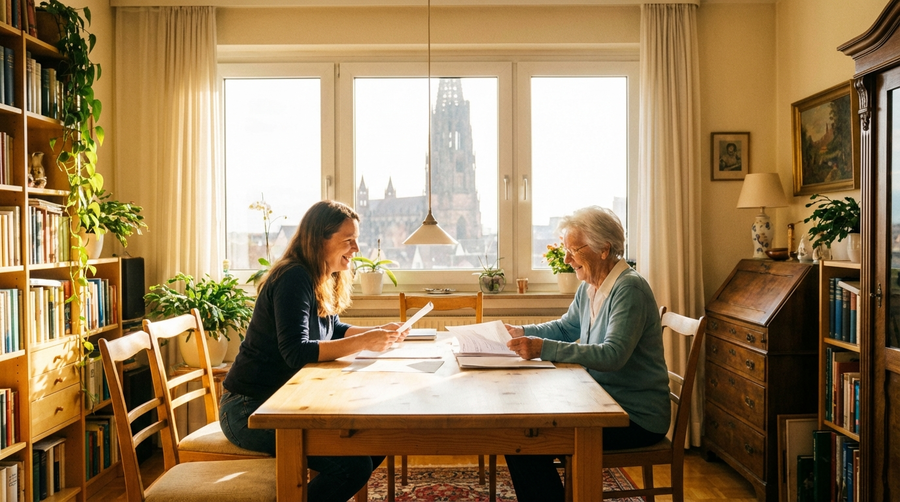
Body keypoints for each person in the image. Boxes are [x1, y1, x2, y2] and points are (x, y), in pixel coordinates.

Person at [220, 200, 407, 502]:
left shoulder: (321, 276)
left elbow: (332, 329)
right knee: (352, 466)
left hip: (285, 403)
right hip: (249, 410)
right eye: (348, 240)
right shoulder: (293, 277)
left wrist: (378, 332)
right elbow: (297, 351)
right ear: (319, 239)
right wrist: (365, 341)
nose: (356, 248)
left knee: (373, 442)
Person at [504, 206, 670, 502]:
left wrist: (544, 349)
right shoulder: (591, 286)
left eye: (573, 250)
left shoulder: (629, 288)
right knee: (522, 436)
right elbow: (567, 328)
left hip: (635, 416)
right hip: (601, 402)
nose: (566, 259)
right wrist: (520, 330)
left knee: (524, 444)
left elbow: (613, 355)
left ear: (604, 249)